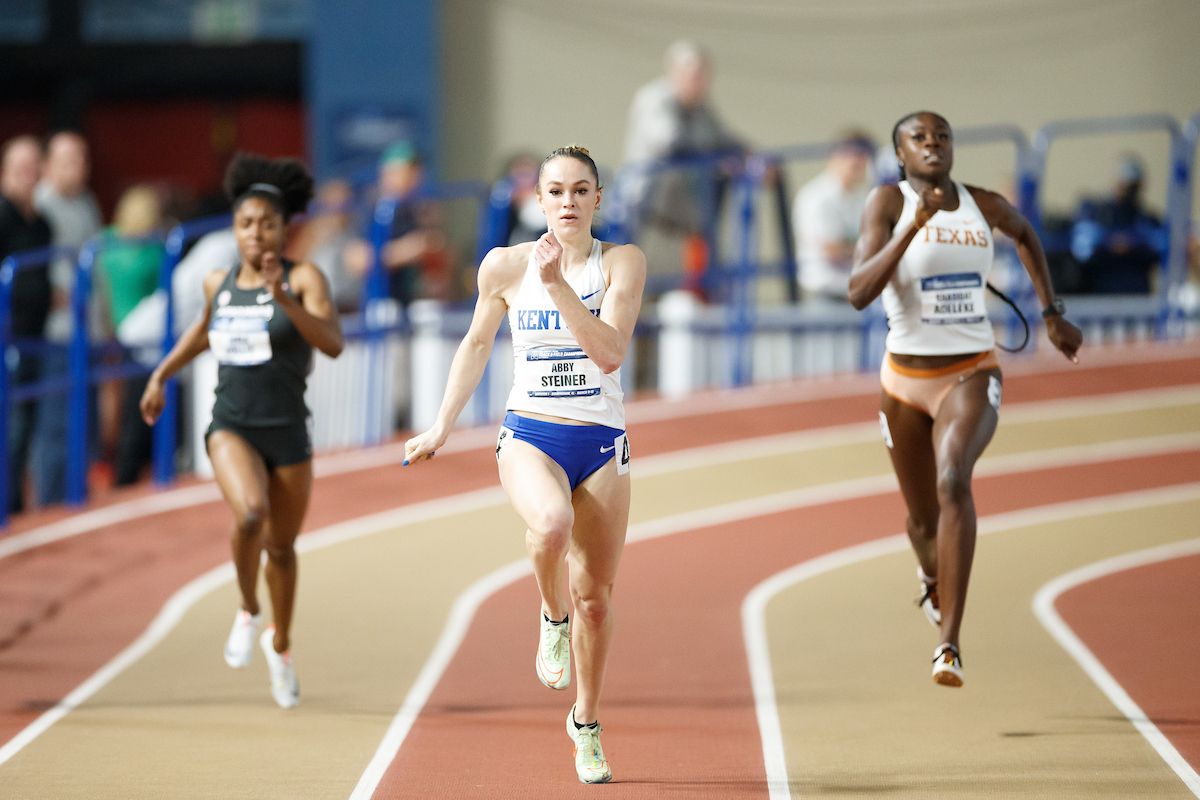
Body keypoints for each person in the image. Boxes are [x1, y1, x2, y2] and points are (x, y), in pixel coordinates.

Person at [404, 146, 645, 783]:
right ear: (537, 201)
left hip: (600, 441)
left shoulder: (621, 263)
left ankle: (585, 722)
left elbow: (610, 353)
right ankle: (549, 612)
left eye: (581, 191)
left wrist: (561, 285)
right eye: (556, 191)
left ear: (598, 200)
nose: (568, 202)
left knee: (596, 599)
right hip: (531, 433)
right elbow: (478, 341)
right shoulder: (504, 267)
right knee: (550, 524)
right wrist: (441, 425)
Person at [848, 112, 1082, 687]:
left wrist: (1052, 315)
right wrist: (913, 224)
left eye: (942, 137)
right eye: (919, 139)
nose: (932, 145)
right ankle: (932, 577)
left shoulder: (982, 204)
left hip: (971, 371)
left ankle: (948, 641)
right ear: (900, 154)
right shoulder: (886, 202)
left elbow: (1026, 233)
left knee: (954, 481)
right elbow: (858, 291)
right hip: (903, 381)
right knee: (922, 519)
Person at [140, 154, 343, 708]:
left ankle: (281, 646)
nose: (256, 235)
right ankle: (249, 610)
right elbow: (203, 332)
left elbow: (332, 341)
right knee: (250, 513)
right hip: (231, 424)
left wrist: (283, 300)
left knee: (282, 547)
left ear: (284, 228)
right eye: (246, 225)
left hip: (289, 433)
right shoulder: (218, 281)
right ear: (234, 230)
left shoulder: (304, 278)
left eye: (268, 225)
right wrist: (161, 374)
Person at [622, 41, 742, 285]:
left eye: (703, 75)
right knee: (635, 293)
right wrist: (718, 160)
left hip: (684, 225)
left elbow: (724, 139)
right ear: (674, 73)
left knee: (686, 297)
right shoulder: (655, 97)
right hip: (647, 216)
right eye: (693, 75)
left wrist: (748, 155)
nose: (699, 82)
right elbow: (670, 141)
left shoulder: (701, 108)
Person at [31, 131, 105, 504]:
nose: (78, 167)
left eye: (82, 159)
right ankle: (49, 505)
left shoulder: (86, 202)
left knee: (82, 423)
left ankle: (75, 496)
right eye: (68, 160)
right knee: (55, 424)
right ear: (48, 165)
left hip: (84, 330)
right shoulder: (41, 202)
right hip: (56, 333)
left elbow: (96, 265)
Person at [96, 185, 166, 486]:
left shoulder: (105, 241)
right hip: (143, 335)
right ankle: (133, 470)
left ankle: (121, 468)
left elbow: (99, 289)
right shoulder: (155, 247)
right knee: (139, 403)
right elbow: (162, 292)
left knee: (117, 400)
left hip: (113, 330)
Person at [0, 136, 52, 513]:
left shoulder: (42, 223)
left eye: (33, 167)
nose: (27, 175)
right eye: (20, 168)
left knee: (25, 430)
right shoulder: (2, 213)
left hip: (34, 337)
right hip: (8, 338)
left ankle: (14, 507)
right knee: (13, 429)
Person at [794, 131, 876, 302]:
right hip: (826, 296)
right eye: (851, 155)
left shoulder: (860, 196)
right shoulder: (817, 197)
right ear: (834, 157)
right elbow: (833, 252)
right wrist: (877, 251)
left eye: (862, 156)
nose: (857, 161)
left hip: (855, 292)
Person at [1070, 154, 1164, 294]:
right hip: (1099, 300)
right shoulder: (1094, 212)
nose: (1129, 192)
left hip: (1137, 302)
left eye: (1133, 187)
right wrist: (1110, 241)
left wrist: (1132, 245)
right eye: (1124, 186)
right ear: (1115, 182)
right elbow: (1081, 248)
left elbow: (1160, 249)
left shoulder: (1147, 220)